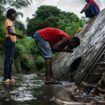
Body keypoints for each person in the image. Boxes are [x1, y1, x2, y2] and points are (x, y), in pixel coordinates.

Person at [3, 8, 23, 84]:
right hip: (9, 41)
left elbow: (11, 32)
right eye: (14, 14)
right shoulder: (8, 21)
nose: (15, 16)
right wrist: (18, 35)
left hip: (12, 42)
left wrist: (16, 37)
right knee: (8, 60)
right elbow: (10, 32)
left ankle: (9, 77)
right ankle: (5, 78)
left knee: (10, 60)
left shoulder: (10, 22)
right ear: (11, 14)